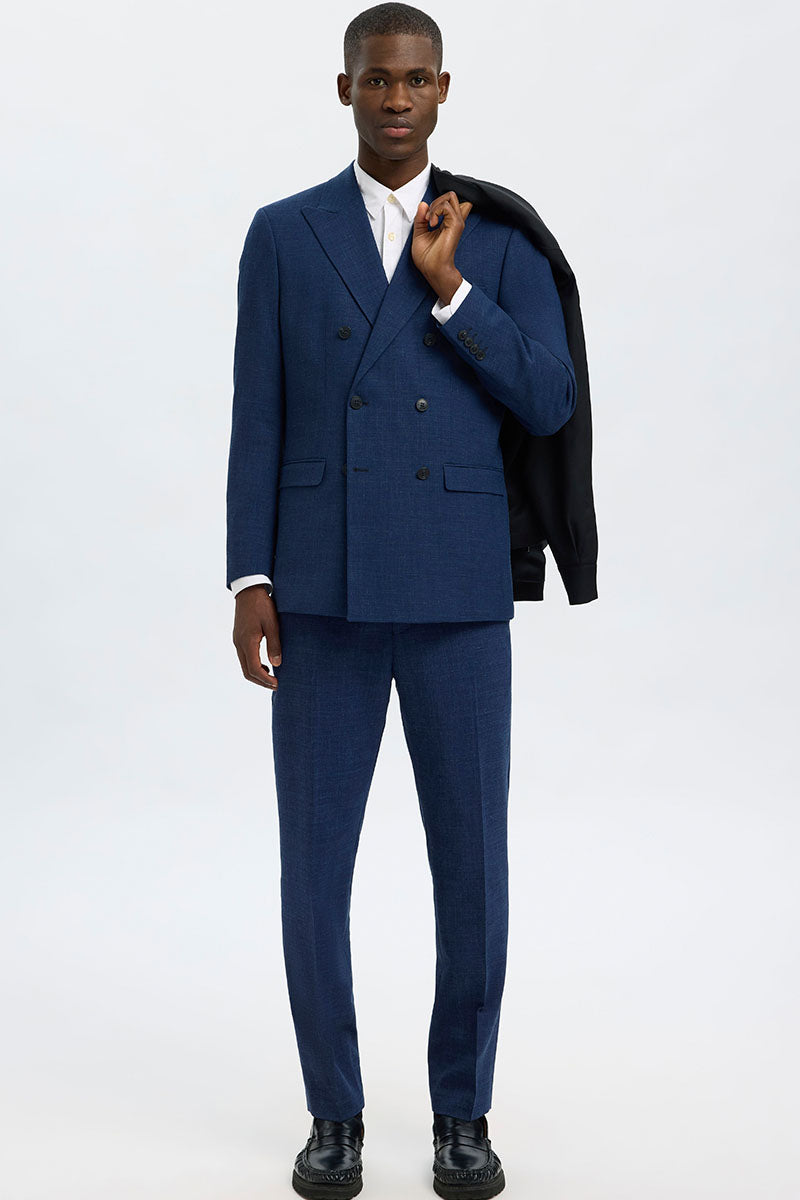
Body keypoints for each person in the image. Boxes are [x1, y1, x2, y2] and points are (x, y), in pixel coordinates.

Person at [226, 4, 578, 1196]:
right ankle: (333, 1113)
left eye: (415, 79)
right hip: (319, 590)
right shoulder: (283, 233)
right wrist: (249, 574)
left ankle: (459, 1114)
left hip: (455, 587)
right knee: (312, 867)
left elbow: (547, 399)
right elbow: (257, 414)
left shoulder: (498, 239)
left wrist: (449, 289)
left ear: (442, 90)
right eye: (376, 79)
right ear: (344, 90)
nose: (395, 98)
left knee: (471, 866)